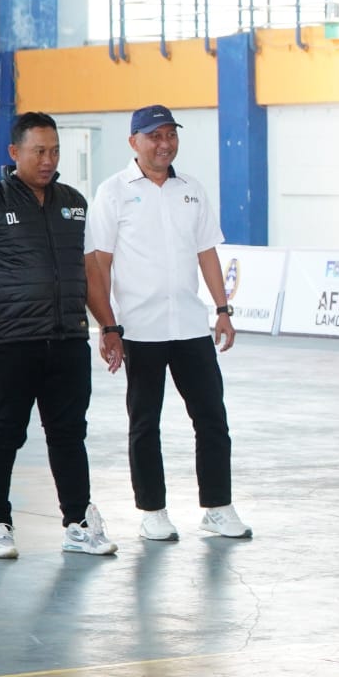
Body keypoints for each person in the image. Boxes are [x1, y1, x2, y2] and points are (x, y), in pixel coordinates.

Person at [0, 112, 119, 559]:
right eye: (38, 151)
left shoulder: (75, 203)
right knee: (3, 433)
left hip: (67, 340)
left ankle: (78, 523)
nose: (48, 160)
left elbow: (89, 272)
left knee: (68, 434)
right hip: (10, 341)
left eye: (55, 151)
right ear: (14, 153)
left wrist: (110, 326)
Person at [86, 105, 252, 543]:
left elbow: (207, 252)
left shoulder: (192, 190)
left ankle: (217, 507)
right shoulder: (113, 192)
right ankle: (152, 510)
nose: (164, 144)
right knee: (145, 424)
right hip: (139, 330)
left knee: (213, 419)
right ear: (133, 142)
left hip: (192, 327)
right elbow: (99, 263)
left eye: (170, 135)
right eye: (154, 136)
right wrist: (108, 326)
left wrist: (222, 308)